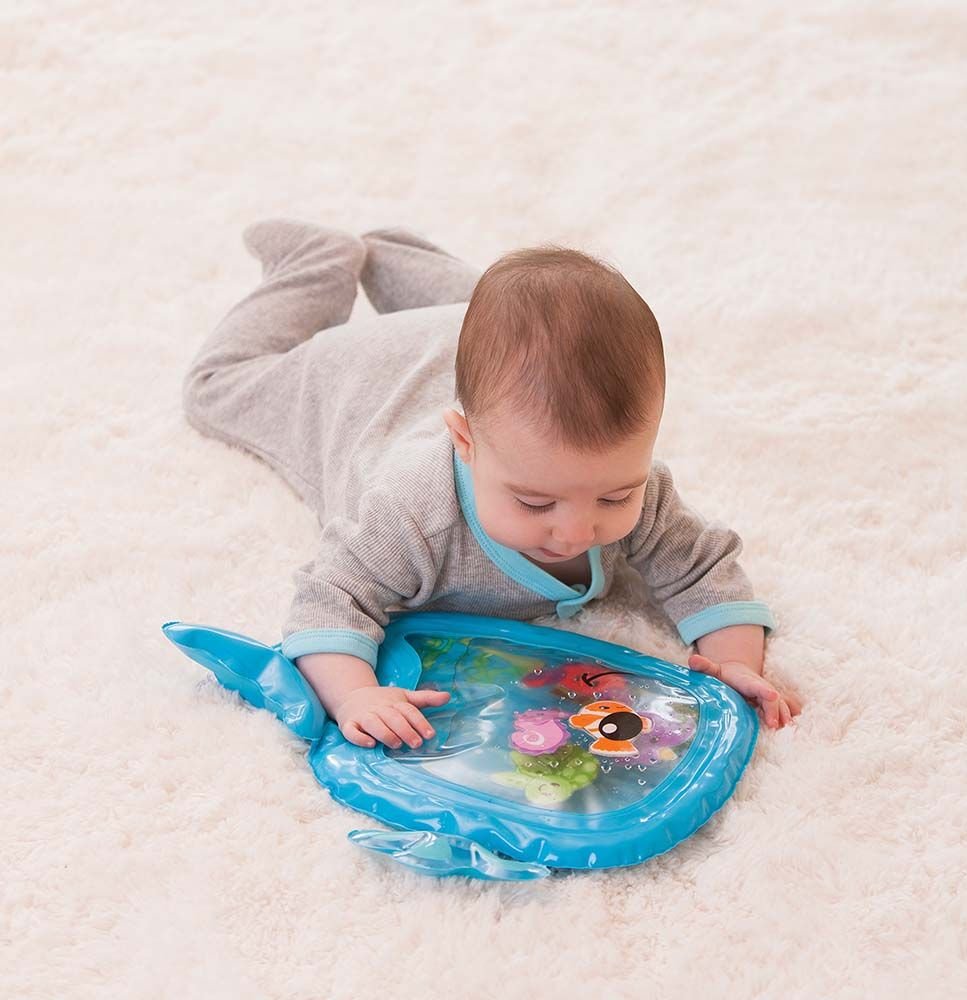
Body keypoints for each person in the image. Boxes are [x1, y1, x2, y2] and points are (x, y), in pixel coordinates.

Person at [182, 219, 802, 750]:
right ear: (465, 442)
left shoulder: (640, 488)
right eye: (535, 502)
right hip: (364, 379)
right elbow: (331, 596)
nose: (576, 531)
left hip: (463, 343)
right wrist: (355, 695)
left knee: (510, 323)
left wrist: (735, 662)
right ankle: (316, 261)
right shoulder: (411, 511)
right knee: (215, 388)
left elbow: (704, 569)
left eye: (614, 497)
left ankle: (396, 254)